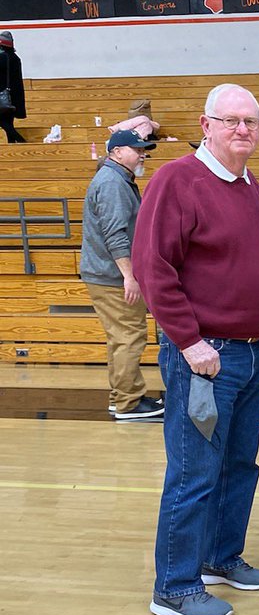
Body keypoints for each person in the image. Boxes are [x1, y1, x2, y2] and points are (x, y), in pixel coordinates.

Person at [132, 84, 259, 615]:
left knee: (239, 465)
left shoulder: (251, 185)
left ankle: (220, 556)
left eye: (251, 122)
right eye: (231, 120)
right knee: (194, 472)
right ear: (206, 125)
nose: (242, 129)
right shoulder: (177, 180)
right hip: (205, 357)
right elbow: (154, 267)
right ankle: (174, 587)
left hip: (251, 353)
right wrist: (190, 342)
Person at [81, 129, 162, 420]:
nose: (142, 155)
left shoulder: (116, 179)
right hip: (113, 276)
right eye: (136, 150)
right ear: (116, 152)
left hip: (105, 273)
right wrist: (129, 276)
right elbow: (114, 235)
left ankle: (122, 398)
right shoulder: (112, 183)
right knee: (129, 336)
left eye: (143, 150)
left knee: (120, 338)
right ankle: (128, 403)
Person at [0, 31, 26, 143]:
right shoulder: (15, 58)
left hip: (2, 95)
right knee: (9, 123)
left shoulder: (2, 58)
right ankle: (13, 146)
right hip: (13, 98)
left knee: (4, 123)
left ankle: (22, 141)